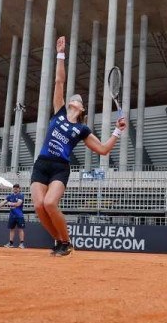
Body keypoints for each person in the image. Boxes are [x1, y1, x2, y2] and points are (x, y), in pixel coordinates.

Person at [31, 35, 127, 256]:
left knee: (50, 203)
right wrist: (61, 54)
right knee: (38, 206)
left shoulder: (82, 130)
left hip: (60, 168)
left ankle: (67, 242)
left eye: (78, 100)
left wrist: (117, 131)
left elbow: (103, 149)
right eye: (73, 98)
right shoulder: (59, 112)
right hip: (42, 164)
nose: (74, 99)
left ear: (82, 109)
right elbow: (59, 82)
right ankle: (59, 242)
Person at [0, 184, 26, 248]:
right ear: (13, 189)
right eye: (14, 188)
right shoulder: (10, 196)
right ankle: (11, 243)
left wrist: (10, 203)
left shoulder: (21, 195)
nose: (15, 189)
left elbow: (18, 204)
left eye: (17, 188)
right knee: (12, 229)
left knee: (20, 229)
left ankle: (21, 244)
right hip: (12, 216)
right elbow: (3, 202)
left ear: (19, 189)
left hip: (19, 215)